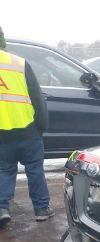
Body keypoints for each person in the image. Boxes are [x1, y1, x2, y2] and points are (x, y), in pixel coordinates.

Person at [0, 26, 52, 228]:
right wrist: (42, 125)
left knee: (4, 170)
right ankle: (41, 209)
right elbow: (37, 99)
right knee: (34, 170)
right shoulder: (19, 63)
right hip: (27, 129)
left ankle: (2, 208)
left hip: (1, 134)